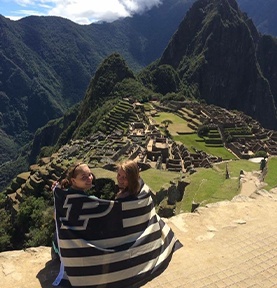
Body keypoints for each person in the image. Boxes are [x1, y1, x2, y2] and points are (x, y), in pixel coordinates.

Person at [51, 162, 95, 261]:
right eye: (84, 177)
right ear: (73, 181)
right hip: (70, 253)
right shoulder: (91, 201)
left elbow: (55, 217)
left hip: (60, 248)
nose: (89, 178)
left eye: (90, 174)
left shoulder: (64, 197)